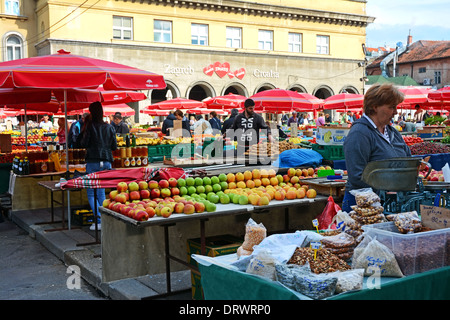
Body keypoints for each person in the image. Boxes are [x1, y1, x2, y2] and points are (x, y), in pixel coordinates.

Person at [342, 83, 411, 213]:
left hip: (390, 203)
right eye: (391, 107)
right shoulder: (360, 133)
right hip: (362, 206)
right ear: (374, 107)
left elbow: (407, 159)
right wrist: (386, 187)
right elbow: (357, 175)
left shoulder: (392, 132)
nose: (396, 112)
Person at [76, 102, 117, 231]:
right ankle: (104, 219)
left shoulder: (89, 126)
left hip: (93, 160)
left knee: (91, 191)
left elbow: (83, 143)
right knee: (101, 191)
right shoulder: (109, 127)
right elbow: (114, 147)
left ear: (91, 112)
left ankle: (99, 219)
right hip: (106, 161)